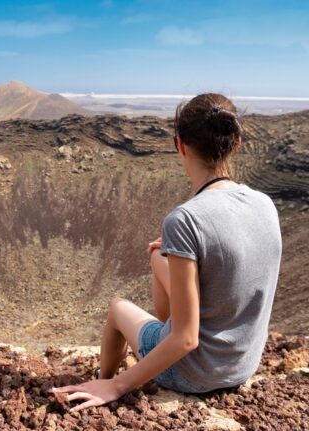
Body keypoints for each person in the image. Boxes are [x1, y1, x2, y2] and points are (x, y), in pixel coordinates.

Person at [53, 93, 282, 413]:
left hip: (195, 374)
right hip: (242, 365)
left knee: (118, 308)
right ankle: (153, 338)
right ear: (236, 142)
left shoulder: (186, 219)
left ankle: (100, 378)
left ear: (180, 146)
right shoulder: (265, 205)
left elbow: (186, 339)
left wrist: (117, 386)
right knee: (157, 256)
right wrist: (173, 252)